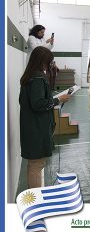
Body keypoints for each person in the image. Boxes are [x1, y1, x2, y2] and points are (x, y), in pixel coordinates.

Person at [19, 46, 71, 188]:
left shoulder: (29, 76)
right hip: (36, 127)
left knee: (34, 164)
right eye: (49, 62)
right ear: (43, 61)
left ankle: (33, 196)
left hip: (31, 125)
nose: (51, 65)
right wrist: (58, 100)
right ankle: (35, 198)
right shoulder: (37, 78)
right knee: (37, 164)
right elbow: (38, 104)